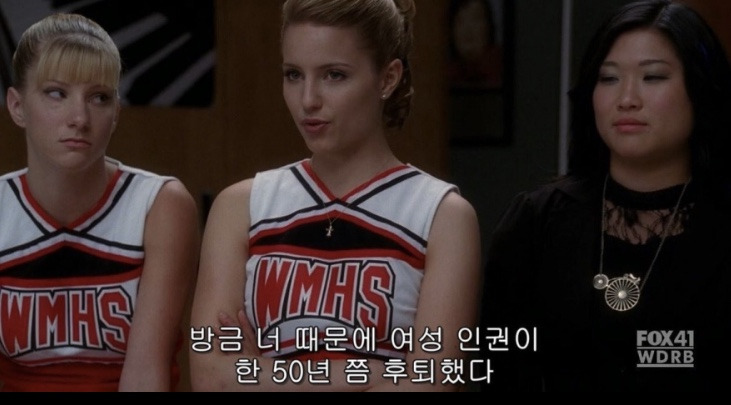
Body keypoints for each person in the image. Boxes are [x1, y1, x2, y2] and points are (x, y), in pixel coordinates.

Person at [190, 0, 481, 391]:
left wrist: (261, 374)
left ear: (388, 79)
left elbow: (432, 381)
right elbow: (212, 377)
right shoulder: (240, 206)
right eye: (294, 75)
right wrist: (377, 374)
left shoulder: (442, 215)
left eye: (334, 75)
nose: (308, 99)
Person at [482, 0, 731, 392]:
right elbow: (501, 369)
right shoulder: (538, 221)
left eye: (652, 77)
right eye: (609, 78)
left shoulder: (723, 222)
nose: (627, 98)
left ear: (700, 90)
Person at [0, 13, 199, 391]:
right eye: (56, 93)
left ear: (116, 112)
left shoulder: (159, 204)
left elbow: (145, 373)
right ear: (17, 106)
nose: (79, 118)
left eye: (99, 97)